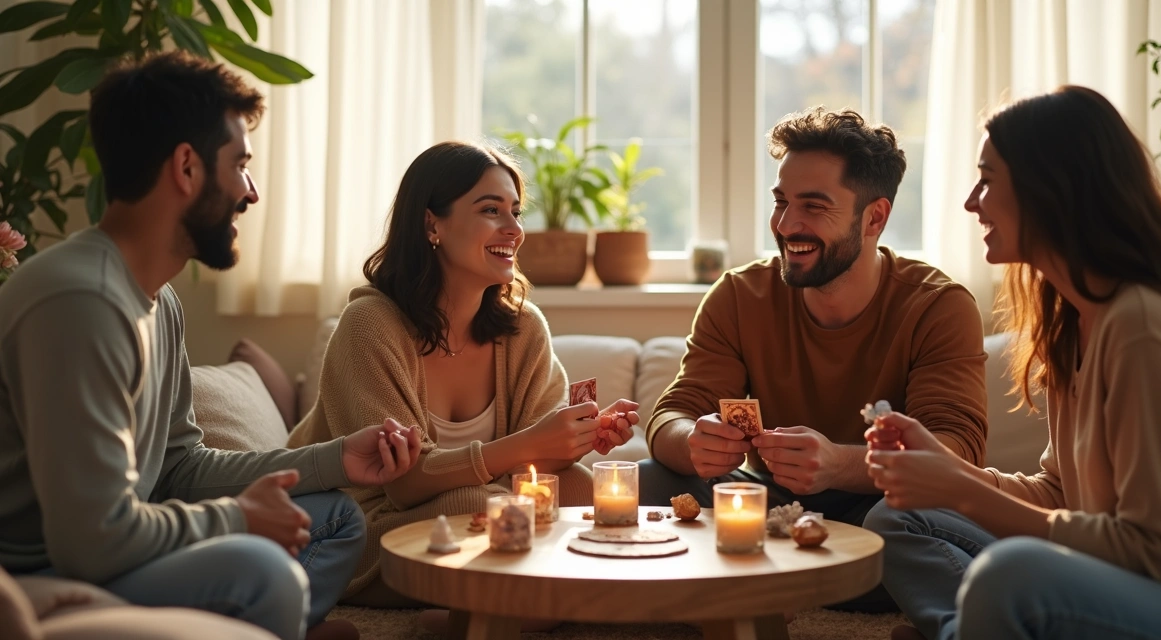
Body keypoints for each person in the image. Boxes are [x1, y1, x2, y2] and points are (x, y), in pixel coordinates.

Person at [0, 52, 425, 640]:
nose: (250, 192)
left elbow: (180, 467)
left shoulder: (158, 299)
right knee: (264, 572)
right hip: (42, 571)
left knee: (336, 520)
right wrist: (237, 518)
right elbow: (90, 539)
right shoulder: (80, 301)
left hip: (118, 548)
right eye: (240, 164)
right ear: (186, 168)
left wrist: (334, 459)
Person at [863, 85, 1161, 640]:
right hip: (1116, 573)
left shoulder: (1143, 324)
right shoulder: (1075, 319)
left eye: (987, 179)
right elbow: (1058, 493)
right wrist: (950, 472)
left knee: (1010, 576)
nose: (971, 201)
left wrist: (961, 490)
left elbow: (1155, 554)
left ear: (1053, 188)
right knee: (895, 520)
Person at [640, 106, 989, 609]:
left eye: (813, 206)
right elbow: (672, 414)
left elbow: (958, 450)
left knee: (900, 526)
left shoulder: (938, 305)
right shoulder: (739, 295)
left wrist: (840, 465)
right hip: (771, 505)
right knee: (650, 478)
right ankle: (810, 582)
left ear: (875, 217)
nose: (786, 224)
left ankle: (769, 581)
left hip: (883, 506)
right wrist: (692, 441)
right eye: (781, 202)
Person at [287, 140, 641, 613]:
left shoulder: (523, 327)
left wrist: (575, 436)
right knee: (479, 504)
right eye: (491, 210)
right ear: (432, 223)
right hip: (359, 523)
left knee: (579, 486)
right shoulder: (369, 325)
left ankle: (519, 600)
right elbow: (403, 483)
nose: (514, 229)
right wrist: (530, 446)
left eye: (515, 211)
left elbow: (537, 471)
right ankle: (532, 603)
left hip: (480, 508)